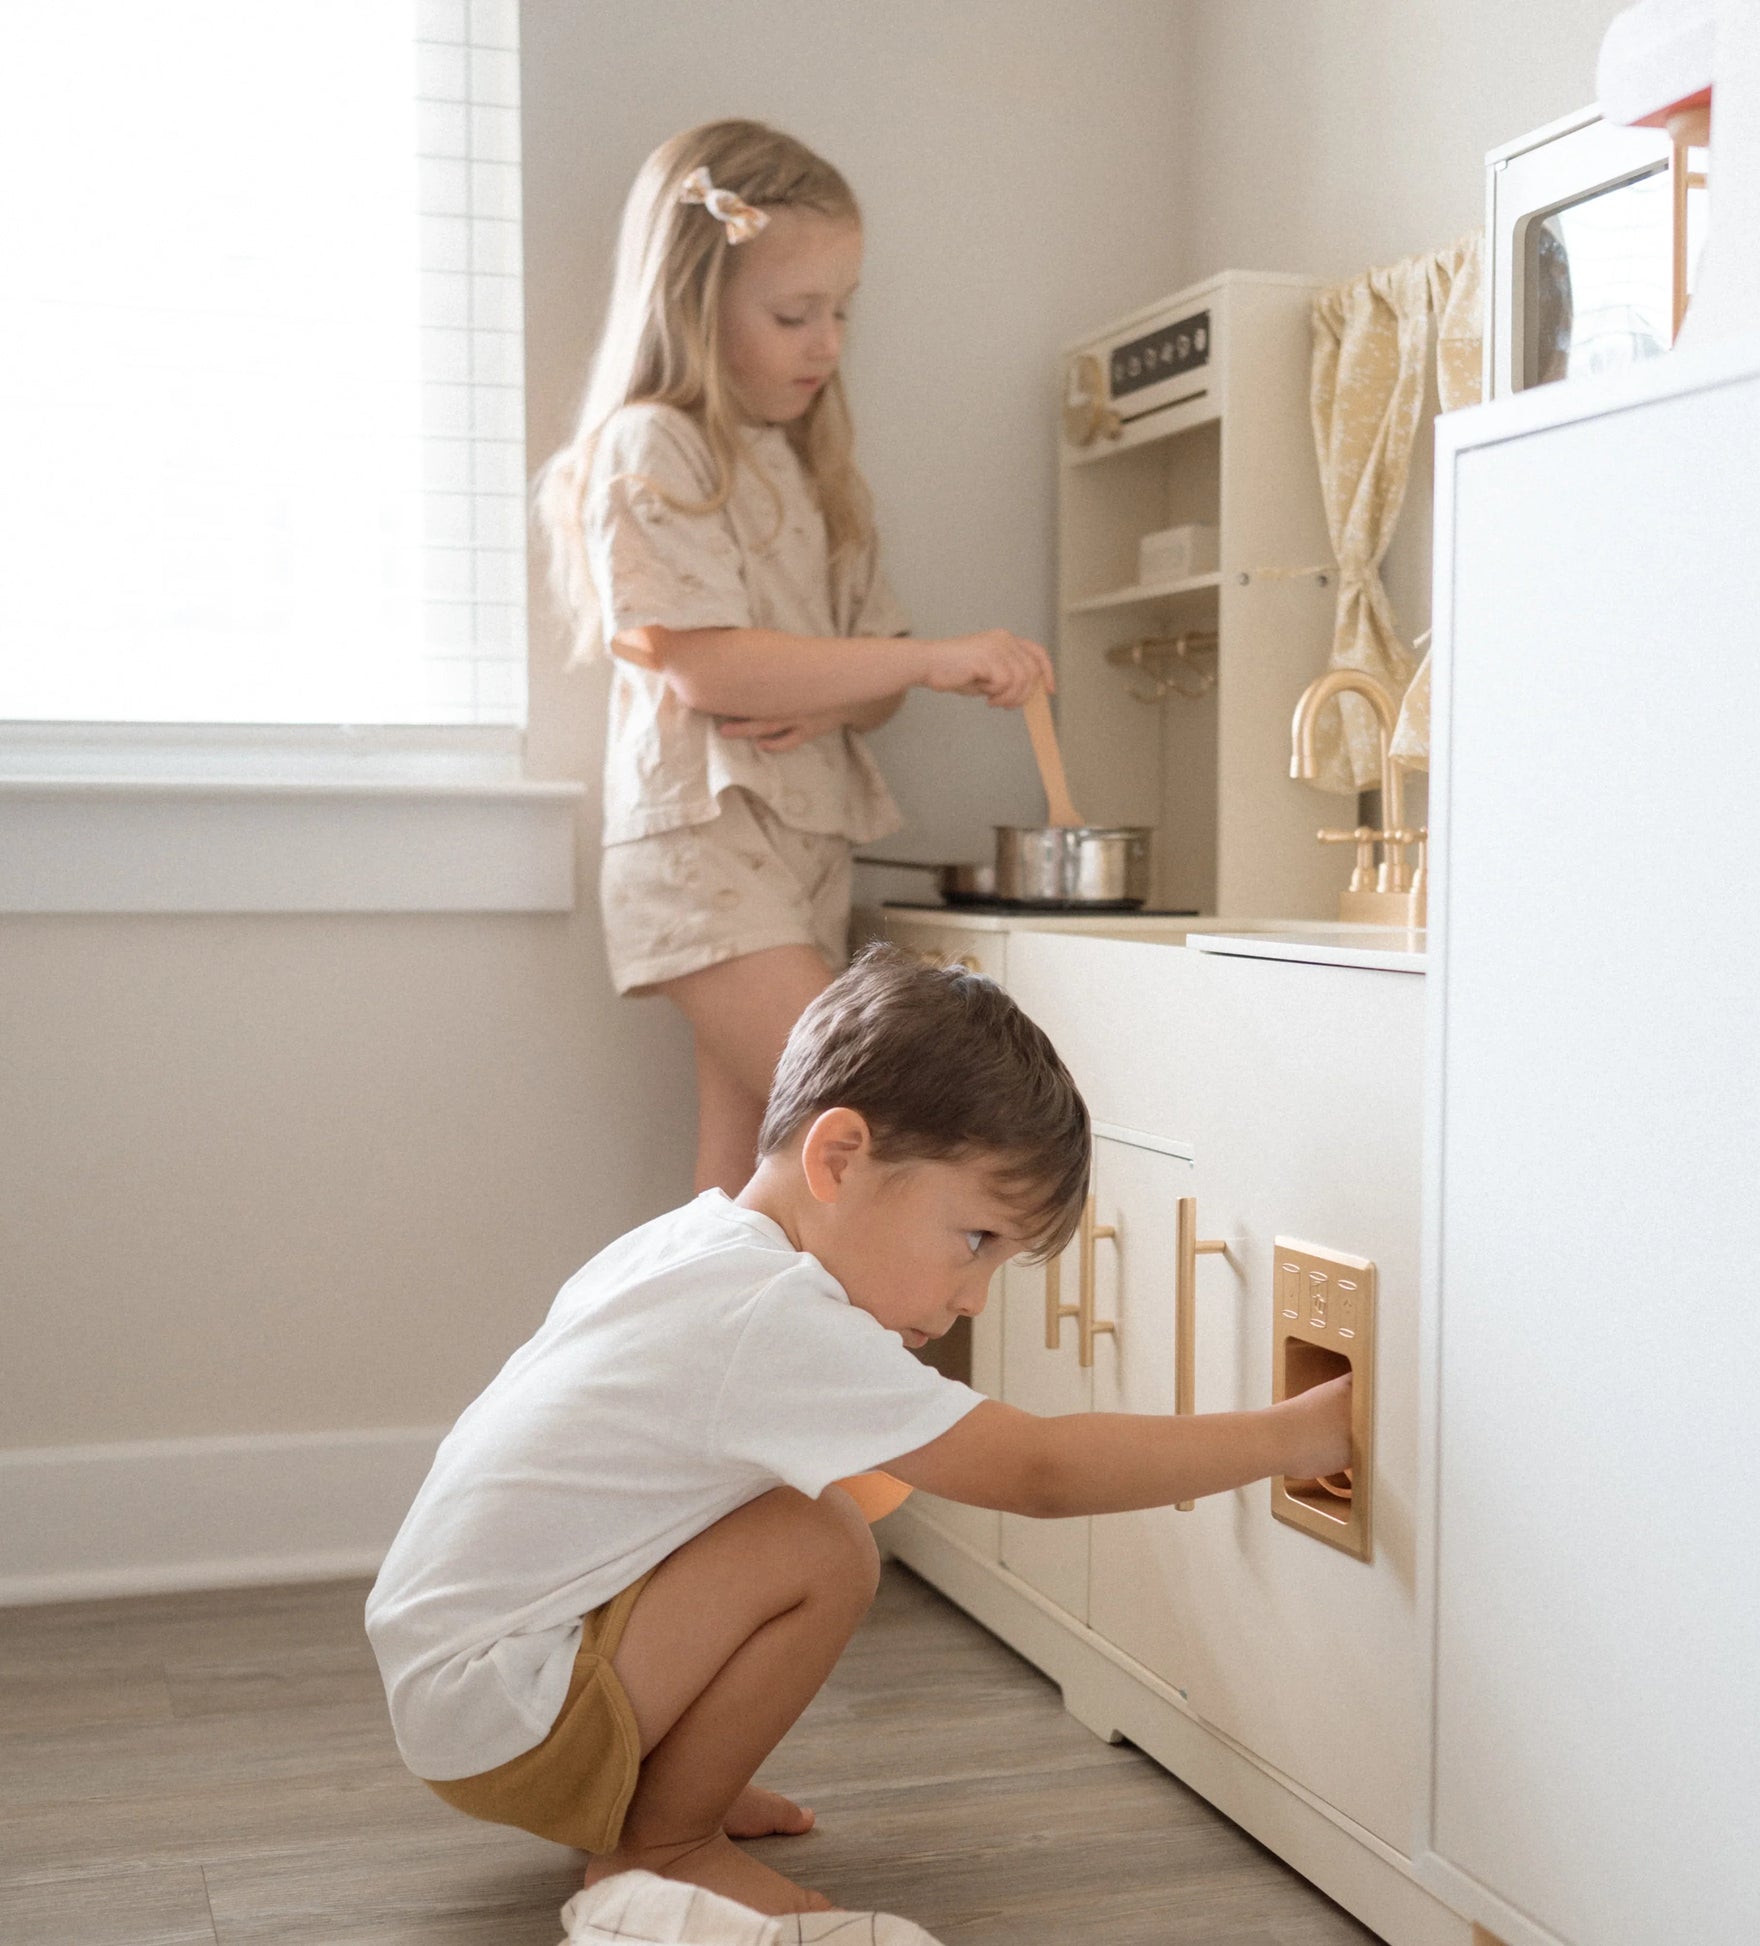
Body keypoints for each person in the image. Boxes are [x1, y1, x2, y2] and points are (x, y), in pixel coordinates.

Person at [364, 949, 1355, 1917]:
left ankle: (659, 1784)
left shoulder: (697, 1244)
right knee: (822, 1546)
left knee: (801, 1504)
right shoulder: (771, 1314)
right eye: (975, 1239)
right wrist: (1293, 1435)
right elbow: (1039, 1469)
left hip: (460, 1679)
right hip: (500, 1707)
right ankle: (662, 1843)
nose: (971, 1297)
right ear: (838, 1158)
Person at [535, 120, 1053, 1196]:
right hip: (705, 852)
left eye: (839, 312)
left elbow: (860, 673)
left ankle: (706, 1364)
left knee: (748, 1192)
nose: (827, 342)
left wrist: (842, 692)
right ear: (693, 303)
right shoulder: (654, 445)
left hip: (799, 853)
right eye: (792, 314)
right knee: (866, 1150)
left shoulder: (810, 469)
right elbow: (708, 668)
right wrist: (915, 664)